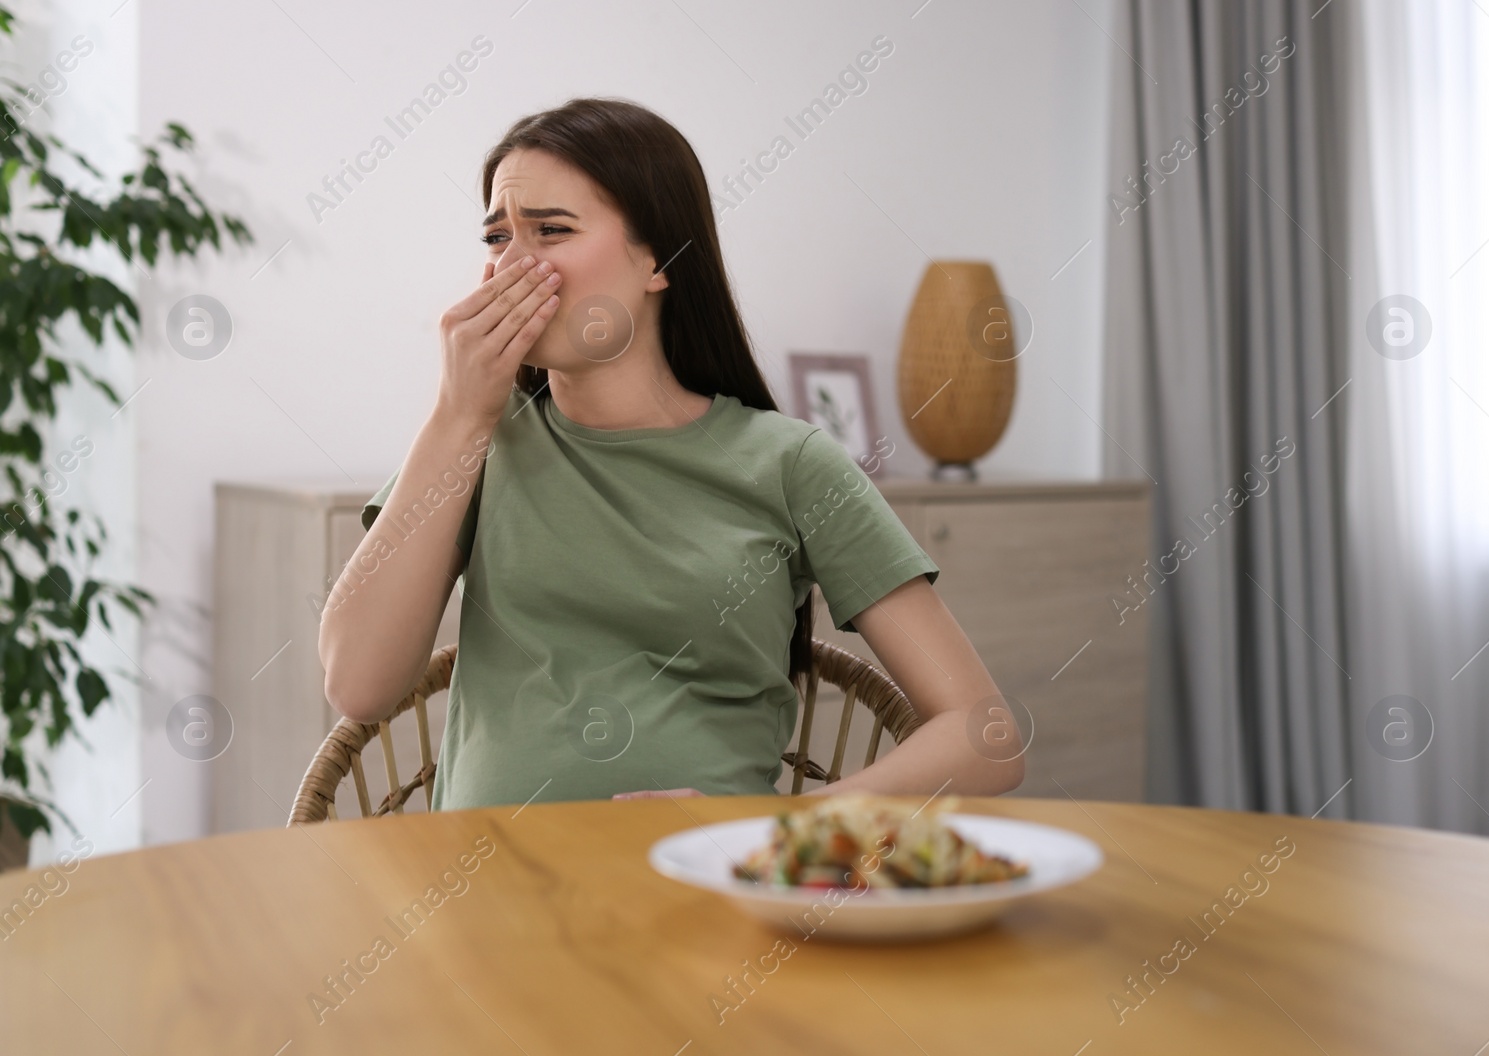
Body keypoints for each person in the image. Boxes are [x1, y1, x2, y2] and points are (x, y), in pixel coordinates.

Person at [317, 97, 1024, 810]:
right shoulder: (475, 444)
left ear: (658, 261)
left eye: (552, 231)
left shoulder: (791, 465)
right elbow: (358, 684)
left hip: (711, 888)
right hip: (485, 895)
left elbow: (985, 735)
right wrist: (459, 413)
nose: (510, 267)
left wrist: (776, 823)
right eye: (498, 238)